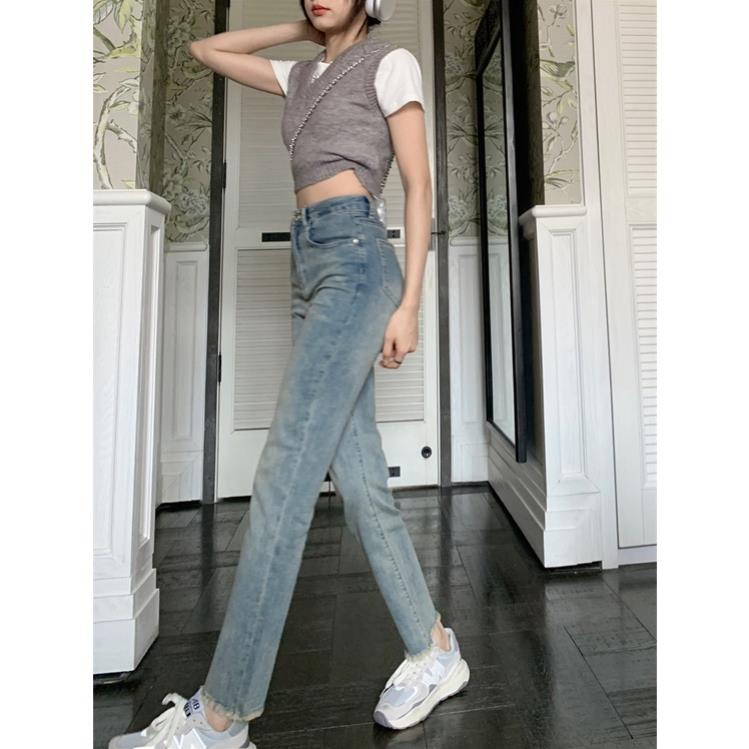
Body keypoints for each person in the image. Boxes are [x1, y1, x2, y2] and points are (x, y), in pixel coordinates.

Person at [108, 2, 469, 747]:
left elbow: (418, 185)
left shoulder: (389, 62)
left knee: (281, 482)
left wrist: (410, 303)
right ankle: (433, 648)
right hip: (308, 264)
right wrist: (303, 33)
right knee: (359, 478)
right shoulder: (301, 73)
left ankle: (222, 715)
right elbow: (207, 50)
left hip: (357, 260)